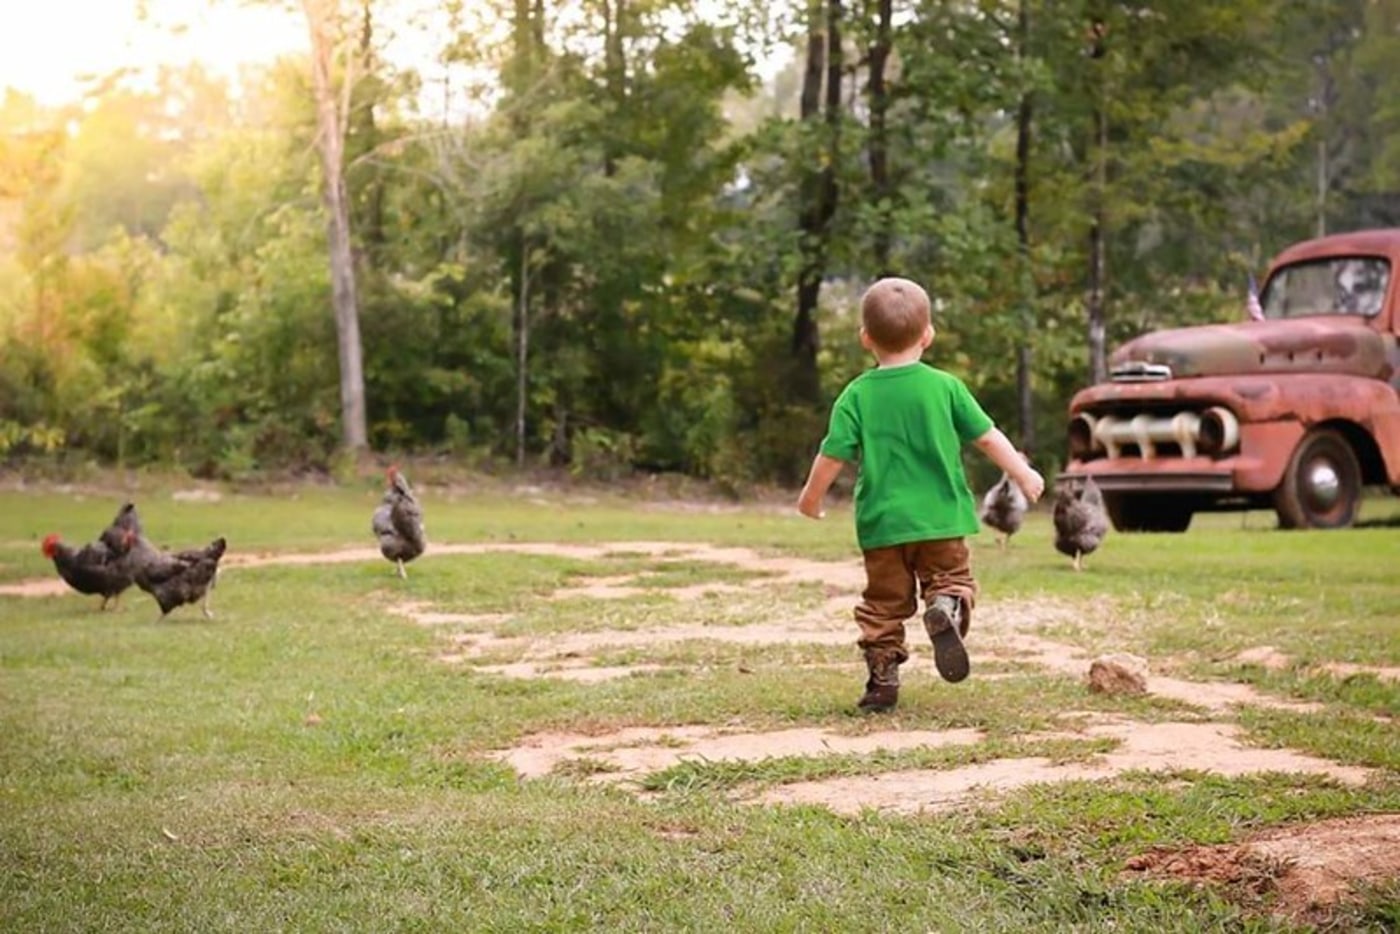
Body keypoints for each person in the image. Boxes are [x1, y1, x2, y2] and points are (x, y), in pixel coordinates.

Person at [796, 276, 1044, 712]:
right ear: (928, 335)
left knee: (883, 605)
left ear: (865, 338)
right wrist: (1022, 473)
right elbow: (987, 438)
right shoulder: (945, 387)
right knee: (950, 579)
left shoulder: (856, 395)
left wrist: (810, 499)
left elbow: (832, 455)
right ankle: (945, 605)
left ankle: (883, 679)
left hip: (883, 524)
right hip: (942, 519)